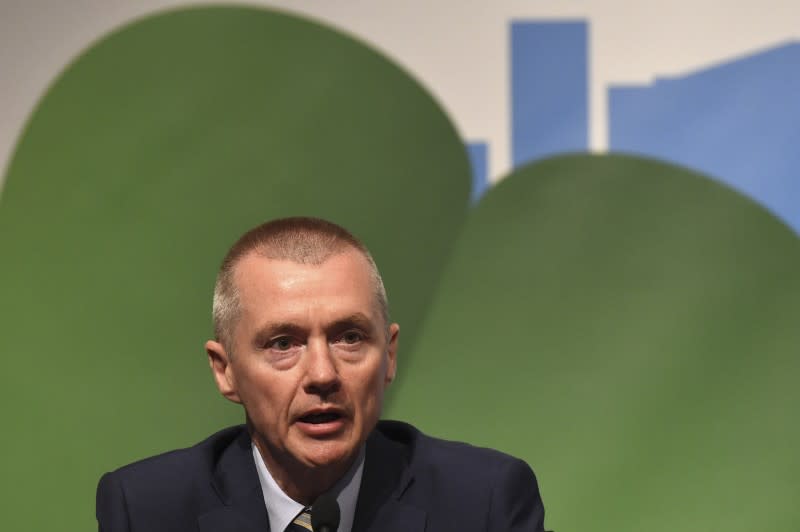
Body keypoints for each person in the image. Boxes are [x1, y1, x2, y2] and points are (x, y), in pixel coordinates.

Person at [96, 216, 549, 532]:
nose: (323, 373)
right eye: (283, 344)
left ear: (388, 356)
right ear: (225, 370)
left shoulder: (484, 502)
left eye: (349, 337)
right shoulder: (147, 509)